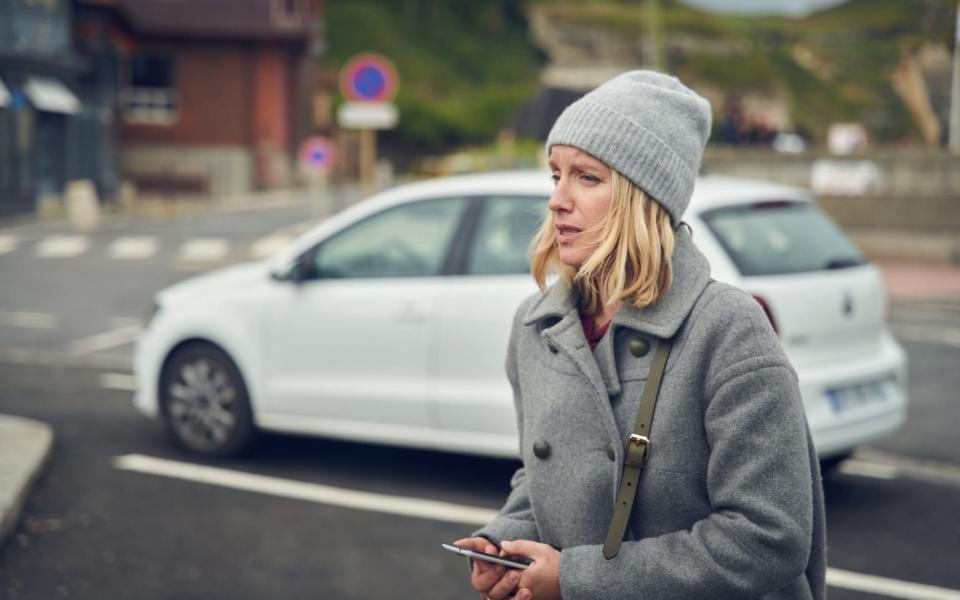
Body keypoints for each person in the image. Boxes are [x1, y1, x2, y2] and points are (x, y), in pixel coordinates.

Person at [455, 70, 826, 600]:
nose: (558, 199)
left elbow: (769, 538)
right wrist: (504, 541)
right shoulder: (536, 325)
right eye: (555, 174)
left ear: (642, 196)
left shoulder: (725, 328)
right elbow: (544, 478)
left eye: (586, 177)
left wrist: (575, 579)